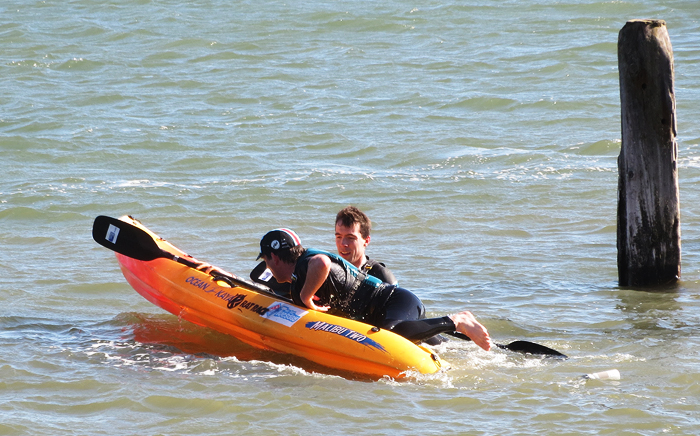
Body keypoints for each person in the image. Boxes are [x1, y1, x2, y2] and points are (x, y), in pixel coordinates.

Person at [256, 228, 492, 350]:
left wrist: (307, 299)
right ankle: (452, 336)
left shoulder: (306, 264)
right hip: (384, 314)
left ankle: (458, 320)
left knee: (392, 337)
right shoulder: (297, 278)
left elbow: (322, 263)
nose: (266, 266)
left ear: (274, 257)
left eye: (265, 261)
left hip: (394, 301)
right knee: (438, 345)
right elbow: (266, 286)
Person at [334, 206, 397, 285]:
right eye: (339, 237)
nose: (343, 244)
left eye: (350, 238)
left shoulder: (381, 275)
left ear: (366, 241)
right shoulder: (331, 273)